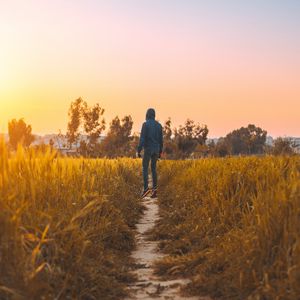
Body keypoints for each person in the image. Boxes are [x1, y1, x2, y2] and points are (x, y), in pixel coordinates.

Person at [137, 108, 163, 198]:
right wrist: (160, 152)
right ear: (154, 115)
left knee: (145, 168)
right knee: (153, 169)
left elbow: (142, 139)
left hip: (148, 149)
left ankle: (146, 189)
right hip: (156, 149)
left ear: (147, 115)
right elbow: (161, 140)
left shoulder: (145, 124)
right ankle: (155, 191)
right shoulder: (159, 126)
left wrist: (139, 150)